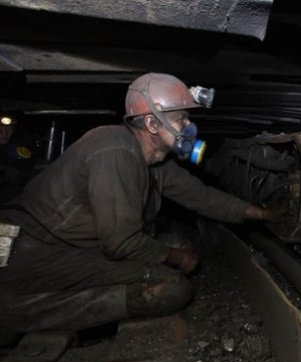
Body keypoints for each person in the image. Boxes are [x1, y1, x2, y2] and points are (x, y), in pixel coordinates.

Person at [0, 73, 274, 341]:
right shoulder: (114, 151)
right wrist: (177, 257)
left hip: (63, 245)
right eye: (181, 118)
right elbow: (121, 244)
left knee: (168, 250)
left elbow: (200, 196)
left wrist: (260, 213)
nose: (189, 125)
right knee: (170, 287)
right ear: (152, 123)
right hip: (24, 249)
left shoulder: (154, 162)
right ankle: (16, 314)